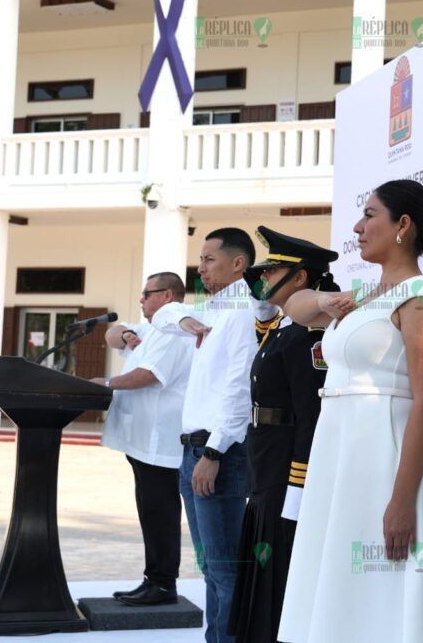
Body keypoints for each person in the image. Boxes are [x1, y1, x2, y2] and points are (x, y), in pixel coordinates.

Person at [277, 180, 423, 643]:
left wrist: (402, 501)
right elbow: (292, 305)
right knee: (339, 585)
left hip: (387, 462)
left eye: (370, 215)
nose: (358, 228)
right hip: (341, 459)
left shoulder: (421, 298)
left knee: (384, 589)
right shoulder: (364, 296)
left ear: (403, 225)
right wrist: (325, 300)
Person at [227, 226, 339, 642]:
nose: (264, 279)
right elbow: (269, 354)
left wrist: (298, 483)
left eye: (273, 271)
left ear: (301, 278)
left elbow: (311, 415)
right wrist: (263, 313)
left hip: (283, 478)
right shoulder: (286, 329)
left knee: (279, 581)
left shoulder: (312, 336)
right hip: (265, 469)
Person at [151, 228, 258, 643]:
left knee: (225, 569)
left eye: (209, 259)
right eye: (200, 259)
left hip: (218, 453)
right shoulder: (211, 308)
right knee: (211, 569)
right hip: (193, 453)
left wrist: (213, 452)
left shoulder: (245, 310)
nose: (200, 267)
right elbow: (160, 315)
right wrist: (184, 318)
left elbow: (239, 389)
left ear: (238, 264)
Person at [93, 272, 194, 606]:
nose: (141, 300)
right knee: (150, 511)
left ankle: (164, 584)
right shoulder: (152, 326)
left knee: (160, 512)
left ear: (167, 296)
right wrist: (123, 333)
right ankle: (153, 579)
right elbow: (111, 335)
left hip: (159, 441)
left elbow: (149, 376)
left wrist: (106, 383)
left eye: (146, 294)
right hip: (141, 440)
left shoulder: (175, 331)